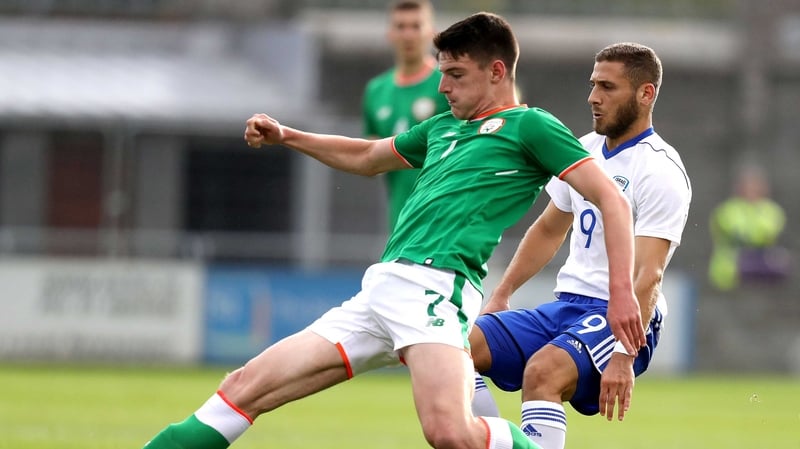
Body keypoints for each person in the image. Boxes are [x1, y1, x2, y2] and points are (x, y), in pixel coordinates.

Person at [142, 13, 644, 449]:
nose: (442, 87)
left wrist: (621, 292)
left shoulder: (530, 126)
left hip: (437, 289)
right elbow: (367, 156)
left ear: (496, 71)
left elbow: (613, 200)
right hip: (379, 292)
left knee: (450, 433)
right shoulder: (442, 128)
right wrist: (288, 136)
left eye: (455, 75)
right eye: (442, 74)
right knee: (244, 387)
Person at [469, 42, 692, 449]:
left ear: (646, 94)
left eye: (607, 87)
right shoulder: (584, 149)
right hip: (568, 305)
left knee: (543, 373)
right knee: (455, 348)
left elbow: (649, 273)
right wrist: (501, 293)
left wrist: (624, 354)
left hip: (621, 316)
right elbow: (548, 230)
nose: (593, 97)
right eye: (593, 84)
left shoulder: (659, 168)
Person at [363, 0, 450, 231]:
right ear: (390, 34)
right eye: (401, 27)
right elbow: (370, 158)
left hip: (444, 222)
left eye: (416, 26)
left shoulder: (448, 84)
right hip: (400, 222)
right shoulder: (376, 91)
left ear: (432, 33)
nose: (408, 35)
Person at [708, 163, 789, 290]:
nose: (752, 190)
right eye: (748, 185)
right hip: (734, 261)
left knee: (781, 262)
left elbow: (770, 233)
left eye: (756, 185)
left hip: (761, 259)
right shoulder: (728, 209)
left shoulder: (771, 210)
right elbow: (738, 235)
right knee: (737, 264)